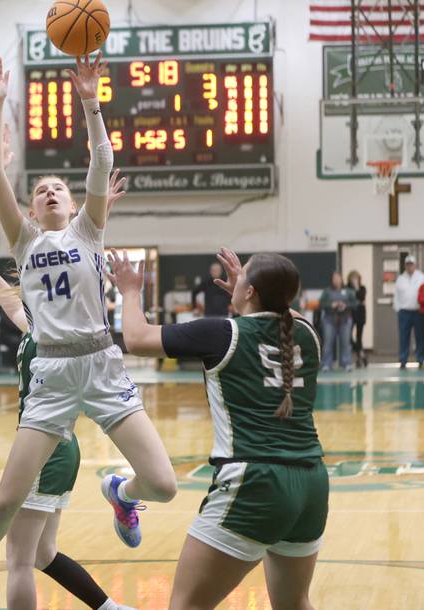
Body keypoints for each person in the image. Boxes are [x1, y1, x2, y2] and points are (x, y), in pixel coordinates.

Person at [0, 54, 176, 610]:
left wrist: (90, 101)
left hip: (102, 363)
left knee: (163, 484)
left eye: (60, 186)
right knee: (7, 501)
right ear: (32, 207)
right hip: (52, 373)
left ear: (77, 201)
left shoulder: (88, 230)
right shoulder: (25, 241)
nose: (51, 192)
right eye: (42, 190)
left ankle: (120, 493)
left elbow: (102, 158)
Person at [108, 247, 327, 610]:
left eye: (243, 278)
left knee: (186, 605)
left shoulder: (222, 333)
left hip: (254, 483)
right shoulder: (307, 333)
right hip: (311, 485)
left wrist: (130, 291)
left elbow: (136, 338)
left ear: (251, 291)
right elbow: (281, 307)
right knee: (294, 603)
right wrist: (248, 290)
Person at [0, 239, 134, 610]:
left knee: (20, 561)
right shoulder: (38, 327)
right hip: (58, 446)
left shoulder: (62, 332)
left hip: (46, 447)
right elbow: (13, 303)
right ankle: (111, 609)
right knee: (43, 554)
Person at [318, 272, 357, 372]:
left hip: (345, 320)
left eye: (338, 278)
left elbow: (354, 304)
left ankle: (346, 363)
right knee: (328, 342)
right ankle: (326, 364)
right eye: (334, 278)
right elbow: (321, 304)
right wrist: (331, 305)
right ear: (332, 280)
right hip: (329, 320)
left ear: (341, 279)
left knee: (345, 343)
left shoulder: (348, 291)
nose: (336, 280)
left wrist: (345, 305)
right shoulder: (327, 291)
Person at [393, 256, 424, 369]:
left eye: (411, 264)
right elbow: (396, 296)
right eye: (407, 264)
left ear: (415, 265)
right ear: (405, 266)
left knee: (419, 337)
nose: (409, 266)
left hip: (418, 312)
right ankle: (403, 360)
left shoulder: (422, 277)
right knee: (404, 337)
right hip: (404, 312)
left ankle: (420, 359)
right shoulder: (400, 279)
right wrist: (398, 309)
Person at [347, 270, 367, 368]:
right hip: (350, 314)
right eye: (352, 278)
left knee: (359, 336)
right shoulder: (346, 288)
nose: (354, 280)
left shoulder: (362, 288)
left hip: (360, 314)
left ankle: (359, 358)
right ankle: (361, 352)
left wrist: (356, 288)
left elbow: (361, 297)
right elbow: (349, 299)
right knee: (349, 337)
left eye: (356, 278)